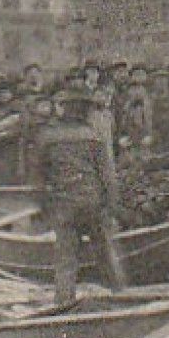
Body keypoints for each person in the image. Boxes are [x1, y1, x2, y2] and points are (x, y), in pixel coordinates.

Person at [27, 87, 125, 304]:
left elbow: (37, 180)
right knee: (106, 254)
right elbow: (108, 176)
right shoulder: (93, 136)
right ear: (84, 111)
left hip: (63, 206)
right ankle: (121, 296)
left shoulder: (47, 137)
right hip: (93, 203)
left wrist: (43, 208)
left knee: (66, 259)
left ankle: (64, 303)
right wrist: (112, 206)